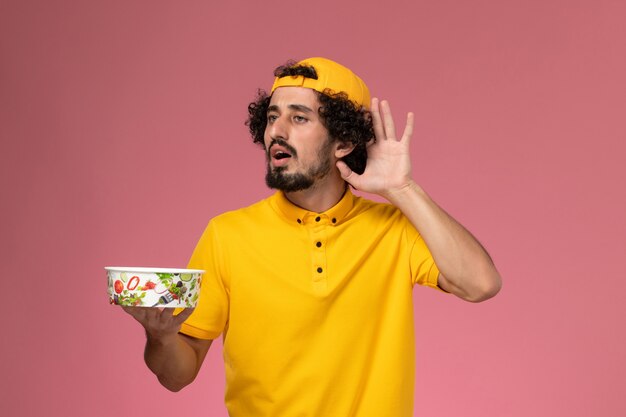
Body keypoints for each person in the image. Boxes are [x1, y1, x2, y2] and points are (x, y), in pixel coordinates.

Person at [123, 57, 502, 416]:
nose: (277, 131)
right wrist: (161, 337)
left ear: (343, 142)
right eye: (273, 117)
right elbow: (177, 376)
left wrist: (402, 188)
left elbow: (481, 284)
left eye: (299, 118)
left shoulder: (393, 230)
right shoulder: (227, 235)